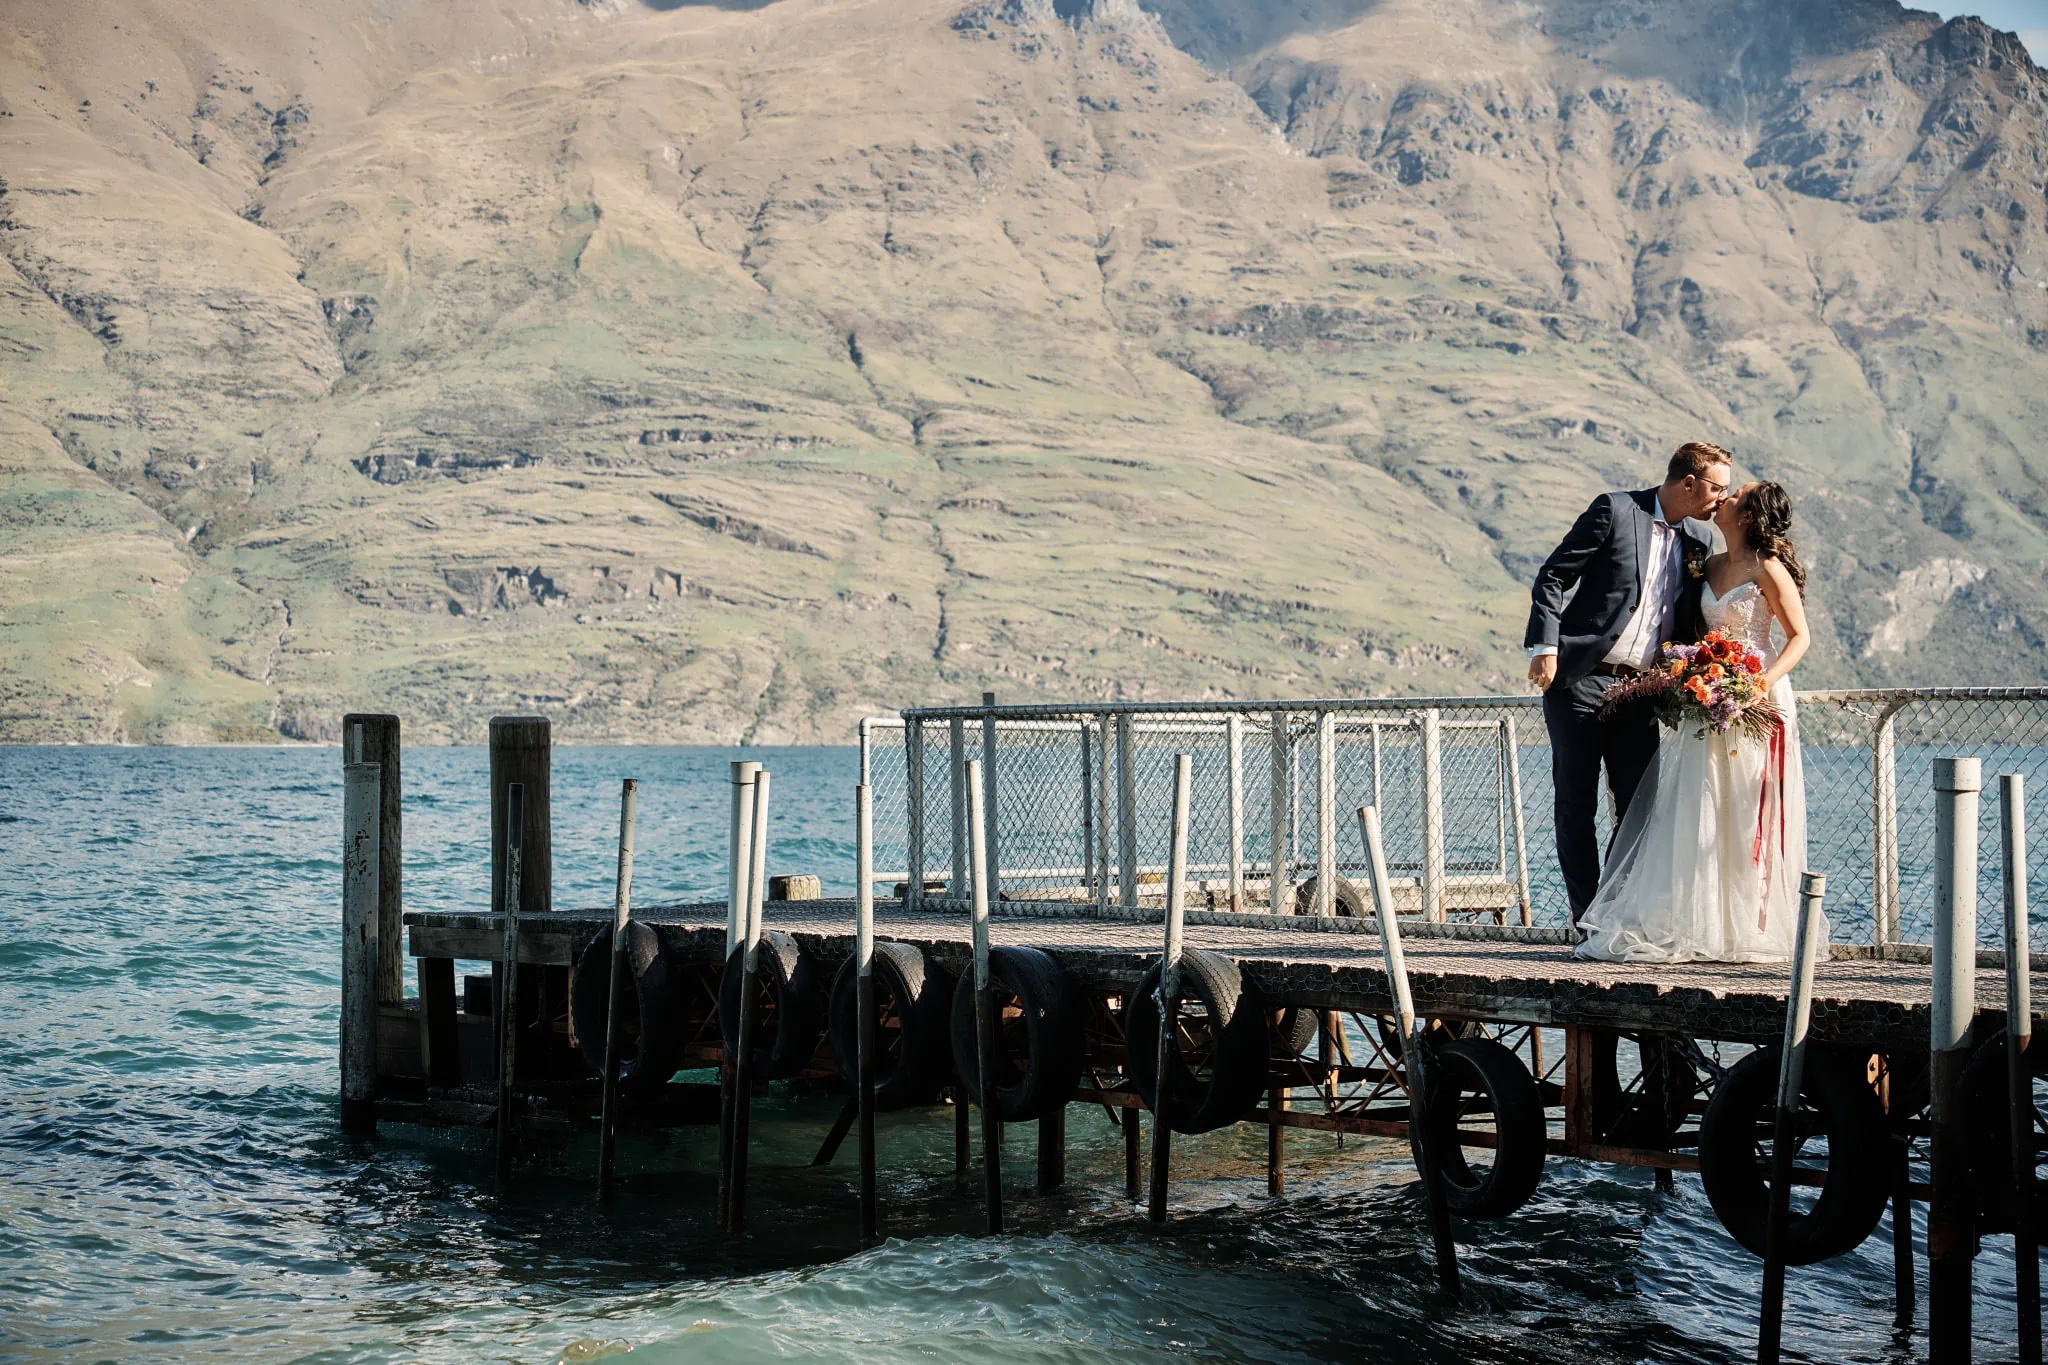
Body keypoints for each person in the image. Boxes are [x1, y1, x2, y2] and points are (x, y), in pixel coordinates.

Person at [1576, 481, 1816, 962]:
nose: (1723, 498)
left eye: (1735, 495)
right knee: (1699, 803)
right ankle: (1697, 920)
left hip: (1756, 698)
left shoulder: (1768, 568)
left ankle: (1747, 924)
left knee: (1747, 809)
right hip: (1705, 696)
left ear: (1747, 516)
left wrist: (1758, 683)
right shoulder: (1709, 564)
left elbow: (1799, 637)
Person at [1525, 442, 1731, 922]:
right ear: (1689, 483)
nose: (1723, 497)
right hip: (1580, 682)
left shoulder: (1699, 541)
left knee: (1640, 809)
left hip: (1643, 693)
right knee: (1575, 807)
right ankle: (1584, 920)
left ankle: (1611, 912)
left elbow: (1689, 621)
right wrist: (1545, 649)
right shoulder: (1616, 511)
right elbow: (1553, 576)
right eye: (1718, 487)